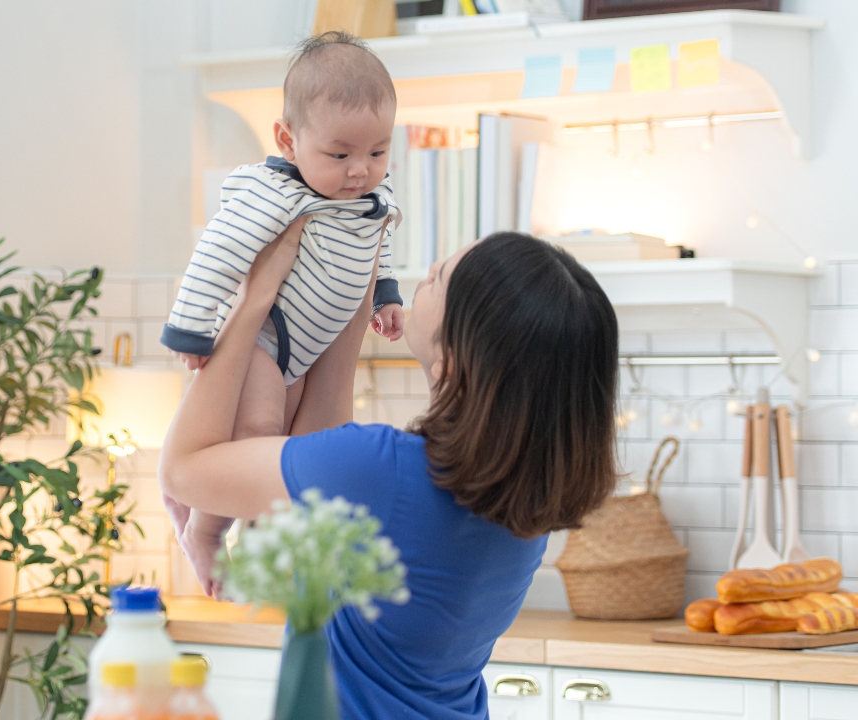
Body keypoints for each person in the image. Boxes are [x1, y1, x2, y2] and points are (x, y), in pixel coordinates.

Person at [158, 228, 619, 720]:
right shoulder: (526, 505)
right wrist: (350, 293)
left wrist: (254, 299)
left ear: (452, 361)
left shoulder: (380, 469)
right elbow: (321, 450)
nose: (427, 274)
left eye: (439, 279)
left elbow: (184, 469)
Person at [160, 31, 405, 593]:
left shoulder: (371, 197)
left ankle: (269, 549)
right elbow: (217, 251)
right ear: (288, 141)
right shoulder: (278, 193)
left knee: (293, 452)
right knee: (260, 432)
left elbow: (379, 240)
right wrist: (190, 328)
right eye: (339, 154)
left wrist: (386, 293)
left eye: (377, 152)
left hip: (309, 346)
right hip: (266, 340)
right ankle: (205, 528)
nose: (360, 171)